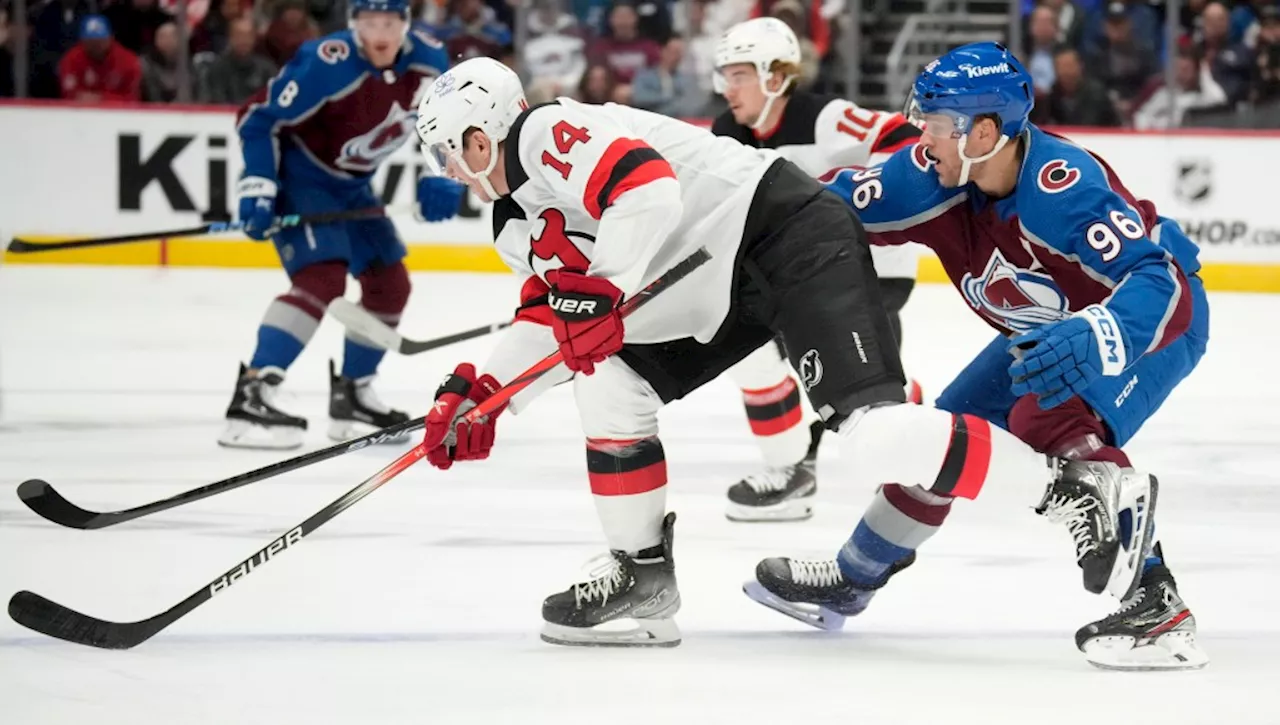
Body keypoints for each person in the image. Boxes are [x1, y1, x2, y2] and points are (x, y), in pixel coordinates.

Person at [413, 56, 1155, 649]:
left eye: (447, 151)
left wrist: (603, 289)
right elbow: (554, 316)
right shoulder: (514, 223)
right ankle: (640, 573)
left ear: (480, 138)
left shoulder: (545, 132)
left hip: (783, 230)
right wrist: (478, 391)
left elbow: (646, 191)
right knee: (606, 380)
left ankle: (1073, 487)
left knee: (870, 439)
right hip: (710, 282)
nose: (445, 167)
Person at [749, 42, 1207, 671]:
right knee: (943, 437)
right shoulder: (928, 177)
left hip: (1152, 325)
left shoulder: (1063, 188)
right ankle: (853, 577)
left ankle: (1157, 605)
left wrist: (1100, 330)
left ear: (984, 132)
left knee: (1046, 424)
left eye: (935, 123)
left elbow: (1163, 284)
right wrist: (739, 204)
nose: (921, 136)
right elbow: (820, 205)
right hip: (1052, 328)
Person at [708, 18, 923, 522]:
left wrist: (843, 199)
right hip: (796, 274)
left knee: (856, 391)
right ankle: (791, 470)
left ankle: (913, 444)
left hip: (871, 266)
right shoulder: (725, 134)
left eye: (740, 74)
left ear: (775, 77)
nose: (728, 87)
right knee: (748, 355)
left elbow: (904, 138)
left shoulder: (824, 117)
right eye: (726, 75)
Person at [221, 0, 460, 449]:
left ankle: (352, 395)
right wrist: (259, 184)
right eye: (370, 23)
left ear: (406, 24)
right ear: (354, 26)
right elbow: (259, 120)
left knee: (389, 284)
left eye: (390, 22)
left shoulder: (431, 60)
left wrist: (443, 172)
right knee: (322, 275)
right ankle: (252, 394)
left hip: (353, 186)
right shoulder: (324, 63)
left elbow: (444, 124)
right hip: (302, 176)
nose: (381, 33)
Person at [58, 14, 142, 102]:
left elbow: (132, 98)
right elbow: (68, 94)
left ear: (111, 38)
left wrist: (101, 99)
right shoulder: (71, 59)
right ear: (82, 40)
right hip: (81, 112)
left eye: (100, 40)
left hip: (118, 113)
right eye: (90, 41)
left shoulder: (128, 60)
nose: (95, 45)